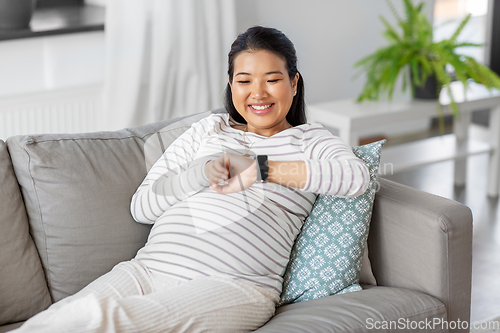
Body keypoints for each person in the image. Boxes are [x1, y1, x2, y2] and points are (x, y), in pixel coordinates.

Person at [12, 26, 369, 333]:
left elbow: (353, 178)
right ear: (231, 84)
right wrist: (198, 174)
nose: (257, 94)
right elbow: (143, 206)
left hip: (234, 287)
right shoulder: (209, 129)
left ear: (293, 82)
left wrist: (261, 168)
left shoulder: (311, 140)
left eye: (272, 80)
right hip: (147, 269)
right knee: (60, 318)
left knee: (102, 319)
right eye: (244, 81)